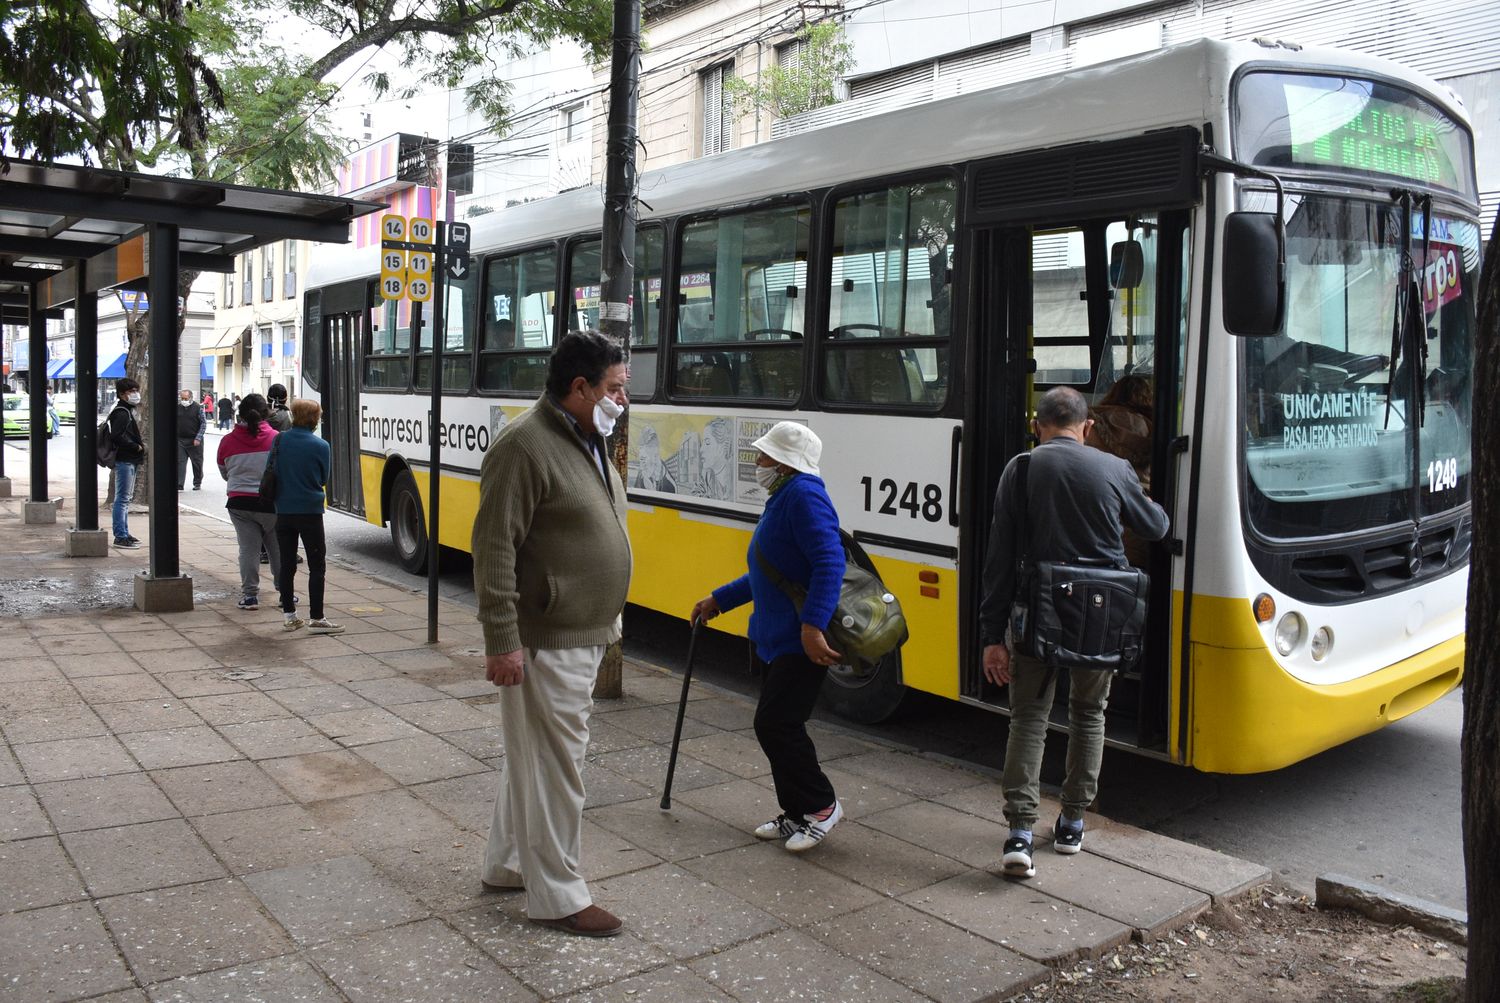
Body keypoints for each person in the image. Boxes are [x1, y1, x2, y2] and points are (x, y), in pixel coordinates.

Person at [472, 330, 631, 939]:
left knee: (534, 757)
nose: (623, 399)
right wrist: (502, 639)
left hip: (582, 628)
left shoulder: (585, 437)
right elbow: (493, 549)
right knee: (560, 764)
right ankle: (559, 895)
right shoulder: (525, 446)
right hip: (547, 637)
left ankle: (509, 864)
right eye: (615, 388)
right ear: (581, 388)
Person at [979, 386, 1169, 879]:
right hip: (1100, 616)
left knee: (1029, 718)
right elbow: (1156, 527)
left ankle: (1020, 831)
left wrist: (991, 635)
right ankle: (1072, 823)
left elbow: (999, 560)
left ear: (1037, 426)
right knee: (1089, 714)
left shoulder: (1019, 469)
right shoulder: (1114, 468)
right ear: (1087, 428)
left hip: (1034, 613)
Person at [691, 421, 846, 854]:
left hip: (799, 638)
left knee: (776, 724)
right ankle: (795, 813)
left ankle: (820, 806)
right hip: (778, 635)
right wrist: (719, 599)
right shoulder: (785, 497)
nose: (757, 463)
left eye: (764, 456)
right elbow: (769, 570)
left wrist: (813, 627)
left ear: (783, 463)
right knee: (777, 724)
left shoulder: (805, 496)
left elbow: (829, 562)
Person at [270, 399, 341, 634]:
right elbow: (323, 479)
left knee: (287, 563)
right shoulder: (321, 446)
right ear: (315, 418)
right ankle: (317, 617)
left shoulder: (279, 440)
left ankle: (290, 615)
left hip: (284, 510)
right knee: (316, 564)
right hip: (310, 511)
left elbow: (272, 470)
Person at [218, 394, 282, 611]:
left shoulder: (226, 441)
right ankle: (285, 594)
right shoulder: (277, 438)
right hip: (271, 503)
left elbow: (225, 473)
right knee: (278, 550)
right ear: (266, 413)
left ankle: (250, 597)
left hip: (239, 504)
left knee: (248, 550)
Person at [106, 378, 145, 549]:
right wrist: (135, 446)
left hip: (128, 459)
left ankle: (124, 532)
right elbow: (117, 436)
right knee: (122, 499)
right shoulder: (122, 412)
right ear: (122, 394)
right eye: (131, 391)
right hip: (126, 459)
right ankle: (120, 536)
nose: (136, 394)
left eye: (136, 390)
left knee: (125, 499)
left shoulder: (126, 410)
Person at [175, 388, 207, 490]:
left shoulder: (198, 408)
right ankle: (179, 484)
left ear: (191, 398)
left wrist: (198, 437)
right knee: (180, 462)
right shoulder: (177, 407)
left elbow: (203, 423)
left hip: (194, 440)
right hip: (180, 440)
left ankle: (197, 482)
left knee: (197, 462)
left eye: (186, 398)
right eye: (182, 398)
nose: (183, 400)